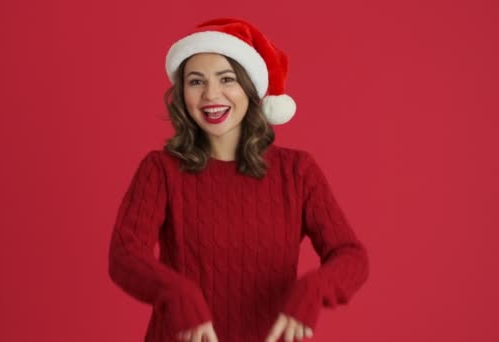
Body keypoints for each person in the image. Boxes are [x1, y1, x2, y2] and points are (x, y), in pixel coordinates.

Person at [108, 17, 369, 342]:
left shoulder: (297, 171)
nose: (210, 95)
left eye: (227, 79)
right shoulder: (160, 170)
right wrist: (177, 293)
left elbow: (351, 255)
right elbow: (124, 254)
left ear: (250, 88)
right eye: (195, 82)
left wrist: (313, 290)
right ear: (182, 92)